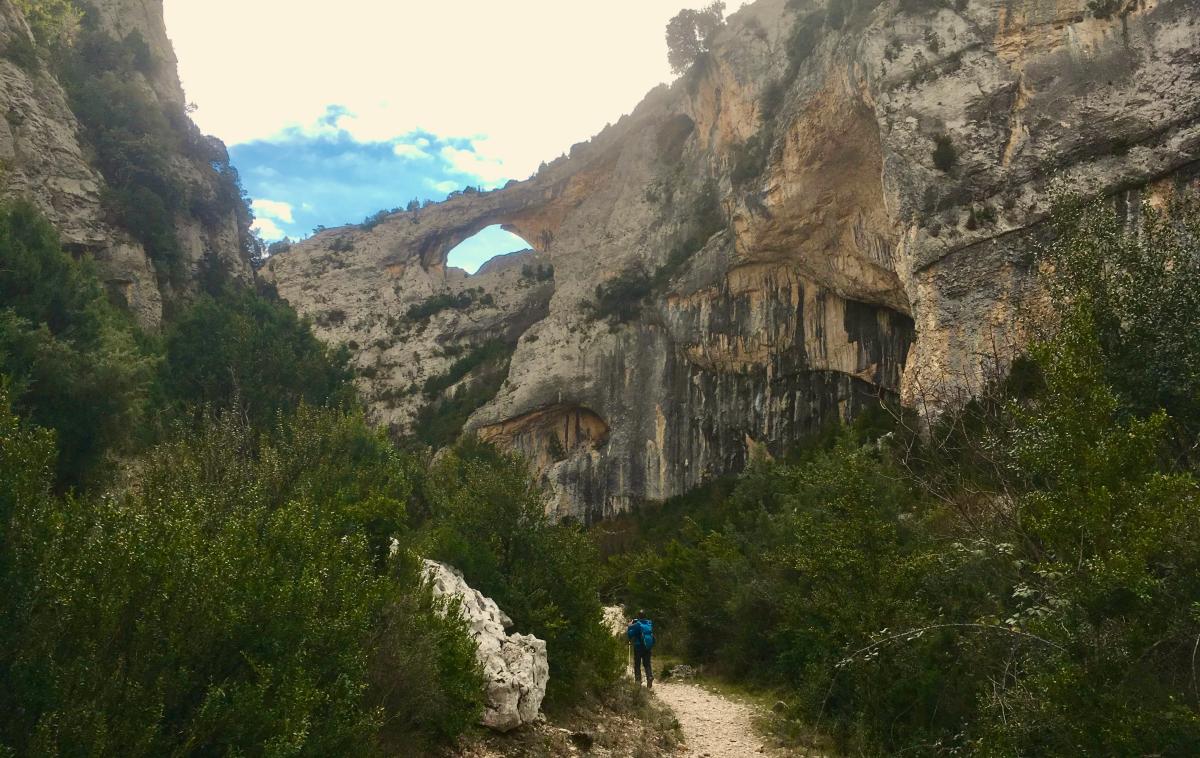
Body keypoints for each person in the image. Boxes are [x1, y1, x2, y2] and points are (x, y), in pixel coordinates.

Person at [626, 610, 654, 689]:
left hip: (638, 647)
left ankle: (638, 681)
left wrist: (630, 625)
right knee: (647, 663)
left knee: (637, 664)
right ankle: (649, 676)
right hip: (647, 647)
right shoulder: (649, 623)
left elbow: (630, 634)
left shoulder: (637, 624)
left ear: (638, 616)